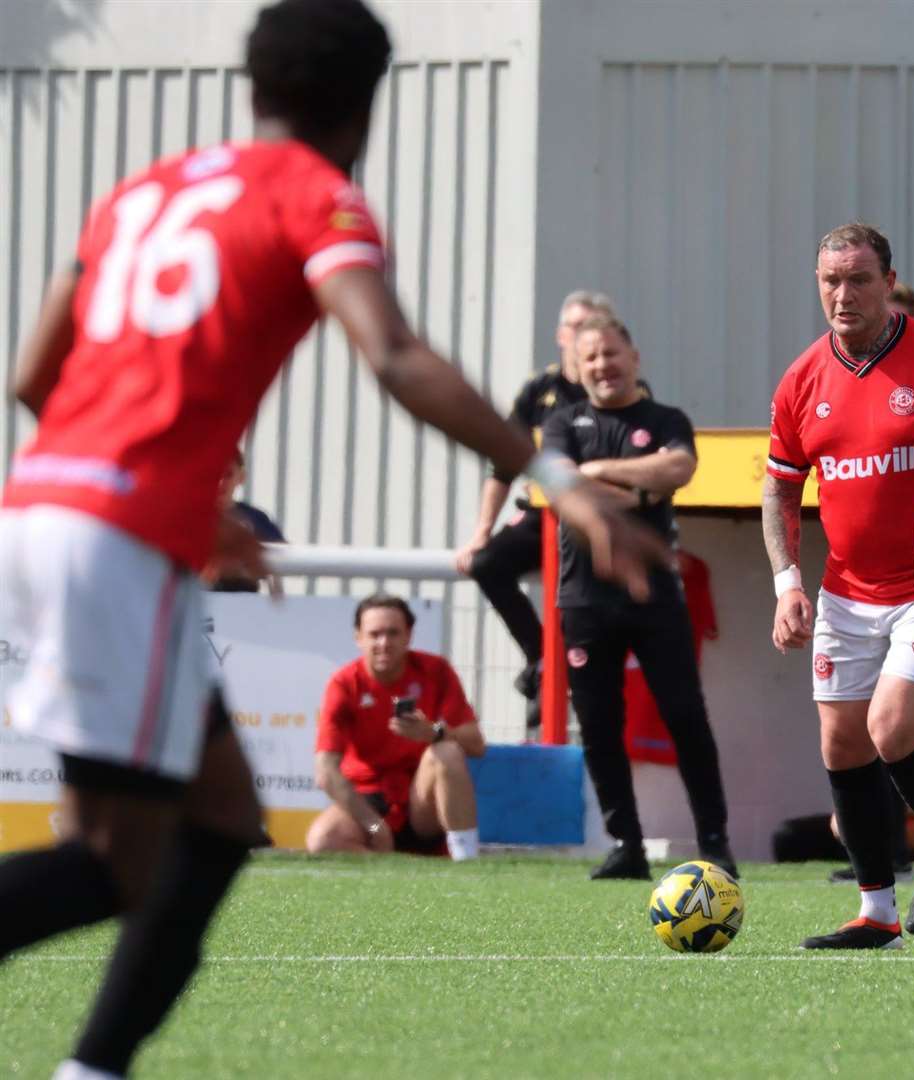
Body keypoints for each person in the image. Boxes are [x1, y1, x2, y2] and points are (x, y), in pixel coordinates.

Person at [0, 3, 662, 1076]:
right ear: (365, 104)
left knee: (217, 820)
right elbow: (393, 355)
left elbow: (36, 376)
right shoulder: (318, 195)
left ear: (252, 83)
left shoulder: (145, 188)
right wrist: (557, 481)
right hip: (114, 541)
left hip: (41, 508)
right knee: (118, 862)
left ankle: (93, 1067)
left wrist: (171, 491)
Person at [764, 221, 914, 949]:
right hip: (845, 591)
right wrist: (786, 583)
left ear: (889, 284)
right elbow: (780, 490)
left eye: (859, 279)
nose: (843, 294)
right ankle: (876, 913)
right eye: (831, 280)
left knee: (894, 729)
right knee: (844, 746)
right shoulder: (801, 380)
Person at [542, 314, 736, 880]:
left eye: (611, 353)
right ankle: (625, 845)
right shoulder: (561, 422)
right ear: (578, 367)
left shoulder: (666, 419)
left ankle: (715, 841)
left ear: (634, 356)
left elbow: (679, 467)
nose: (602, 365)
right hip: (583, 598)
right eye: (591, 357)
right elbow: (557, 484)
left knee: (684, 715)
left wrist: (596, 473)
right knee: (599, 724)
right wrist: (637, 486)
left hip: (656, 596)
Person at [455, 289, 619, 700]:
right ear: (561, 335)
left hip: (596, 522)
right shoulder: (539, 390)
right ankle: (543, 660)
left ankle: (574, 670)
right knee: (487, 563)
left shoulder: (619, 386)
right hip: (542, 518)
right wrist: (480, 531)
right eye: (576, 327)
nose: (585, 338)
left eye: (593, 327)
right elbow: (503, 465)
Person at [305, 595, 484, 859]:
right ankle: (397, 868)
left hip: (420, 800)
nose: (383, 643)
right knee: (323, 840)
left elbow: (477, 744)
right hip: (369, 801)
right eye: (374, 634)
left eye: (392, 633)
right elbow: (326, 771)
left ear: (409, 636)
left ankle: (467, 862)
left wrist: (433, 732)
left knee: (447, 751)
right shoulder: (344, 684)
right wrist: (375, 827)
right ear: (358, 638)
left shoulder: (436, 670)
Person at [207, 447, 286, 593]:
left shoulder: (256, 518)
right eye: (214, 472)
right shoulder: (189, 518)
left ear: (241, 477)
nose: (220, 482)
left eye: (228, 475)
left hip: (245, 604)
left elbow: (282, 554)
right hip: (202, 604)